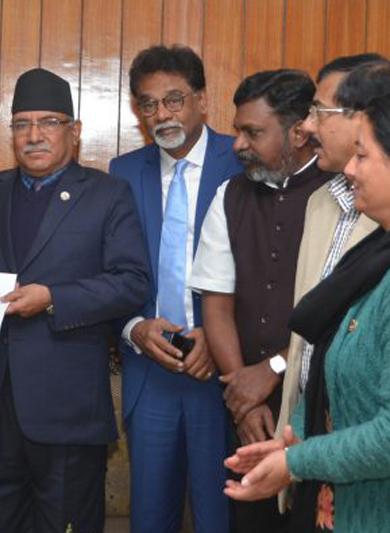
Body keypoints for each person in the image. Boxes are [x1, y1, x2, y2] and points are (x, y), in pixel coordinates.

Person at [0, 67, 150, 533]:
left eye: (49, 122)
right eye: (22, 124)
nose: (34, 135)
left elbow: (132, 281)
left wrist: (54, 298)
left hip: (67, 409)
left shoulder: (107, 194)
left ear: (74, 132)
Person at [224, 92, 390, 533]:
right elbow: (332, 378)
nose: (350, 170)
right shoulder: (372, 259)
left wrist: (297, 460)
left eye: (362, 156)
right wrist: (289, 439)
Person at [190, 69, 332, 532]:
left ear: (298, 132)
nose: (238, 145)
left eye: (253, 132)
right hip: (249, 411)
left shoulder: (344, 197)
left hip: (324, 408)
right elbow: (217, 305)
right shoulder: (228, 196)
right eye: (237, 130)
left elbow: (341, 312)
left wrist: (273, 371)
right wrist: (245, 400)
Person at [108, 45, 241, 533]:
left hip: (222, 371)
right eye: (147, 103)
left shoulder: (241, 160)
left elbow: (265, 267)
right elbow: (112, 269)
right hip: (151, 368)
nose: (161, 114)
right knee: (150, 517)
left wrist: (218, 333)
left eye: (173, 100)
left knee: (220, 516)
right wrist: (134, 326)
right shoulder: (123, 173)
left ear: (202, 99)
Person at [273, 54, 386, 507]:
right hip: (316, 447)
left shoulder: (376, 220)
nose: (309, 126)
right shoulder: (320, 201)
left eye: (320, 110)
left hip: (361, 467)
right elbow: (315, 349)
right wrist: (295, 440)